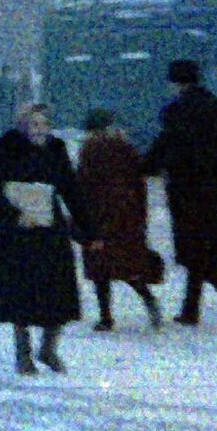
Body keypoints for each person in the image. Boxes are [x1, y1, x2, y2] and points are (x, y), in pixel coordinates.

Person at [0, 102, 95, 375]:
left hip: (50, 229)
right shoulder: (8, 148)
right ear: (22, 125)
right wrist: (11, 215)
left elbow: (70, 188)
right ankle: (23, 353)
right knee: (21, 293)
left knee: (58, 292)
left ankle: (49, 348)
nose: (40, 130)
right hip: (18, 234)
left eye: (44, 124)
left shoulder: (56, 149)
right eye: (34, 124)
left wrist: (88, 228)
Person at [143, 59, 217, 331]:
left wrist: (143, 167)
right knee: (201, 248)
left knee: (194, 253)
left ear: (174, 82)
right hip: (215, 193)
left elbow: (165, 148)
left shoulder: (177, 112)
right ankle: (190, 310)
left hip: (185, 192)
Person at [75, 108, 165, 331]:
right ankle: (148, 299)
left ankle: (106, 317)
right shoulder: (127, 148)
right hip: (125, 215)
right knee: (126, 265)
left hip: (98, 215)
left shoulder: (89, 150)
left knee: (100, 269)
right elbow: (139, 181)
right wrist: (140, 215)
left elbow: (84, 185)